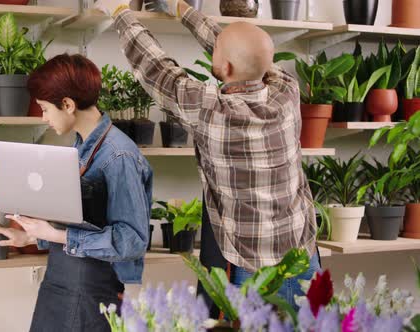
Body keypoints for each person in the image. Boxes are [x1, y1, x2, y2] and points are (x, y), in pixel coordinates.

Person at [94, 0, 321, 311]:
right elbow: (242, 52)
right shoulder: (287, 92)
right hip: (302, 256)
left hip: (250, 268)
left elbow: (156, 68)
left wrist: (119, 11)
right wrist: (180, 9)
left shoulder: (212, 109)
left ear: (224, 67)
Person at [0, 53, 153, 331]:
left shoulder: (118, 155)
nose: (43, 118)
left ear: (67, 104)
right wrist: (30, 235)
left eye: (45, 109)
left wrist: (52, 234)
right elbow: (80, 221)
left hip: (89, 290)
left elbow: (132, 241)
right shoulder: (80, 147)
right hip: (60, 280)